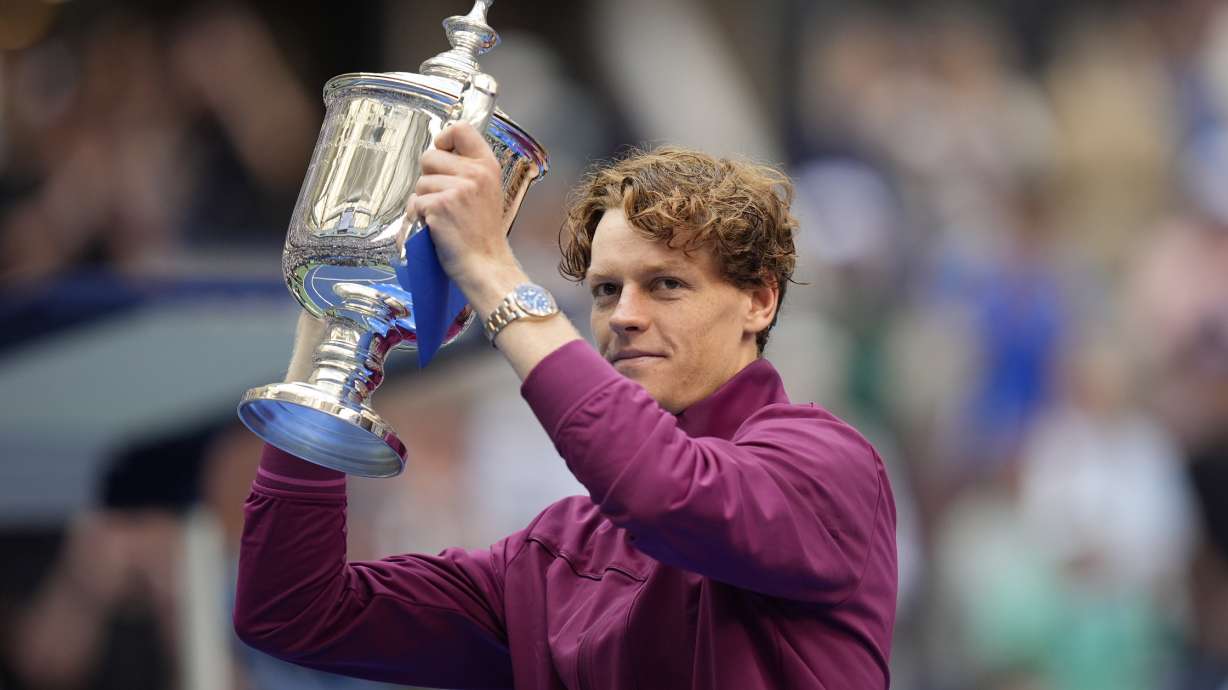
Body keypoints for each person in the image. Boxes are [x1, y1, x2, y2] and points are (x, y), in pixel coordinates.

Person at [233, 123, 898, 689]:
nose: (624, 317)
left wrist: (495, 272)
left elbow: (665, 492)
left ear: (760, 300)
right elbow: (293, 611)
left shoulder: (827, 464)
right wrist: (330, 343)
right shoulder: (557, 553)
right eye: (606, 291)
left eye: (665, 285)